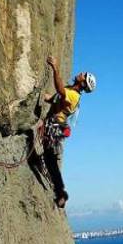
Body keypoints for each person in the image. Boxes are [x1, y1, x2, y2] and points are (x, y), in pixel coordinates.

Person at [41, 55, 96, 208]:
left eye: (82, 75)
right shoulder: (71, 90)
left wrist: (55, 67)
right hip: (55, 125)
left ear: (83, 82)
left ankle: (61, 193)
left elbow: (59, 90)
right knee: (49, 159)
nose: (80, 73)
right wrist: (44, 98)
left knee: (50, 160)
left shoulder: (73, 95)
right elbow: (56, 97)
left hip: (54, 127)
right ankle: (61, 192)